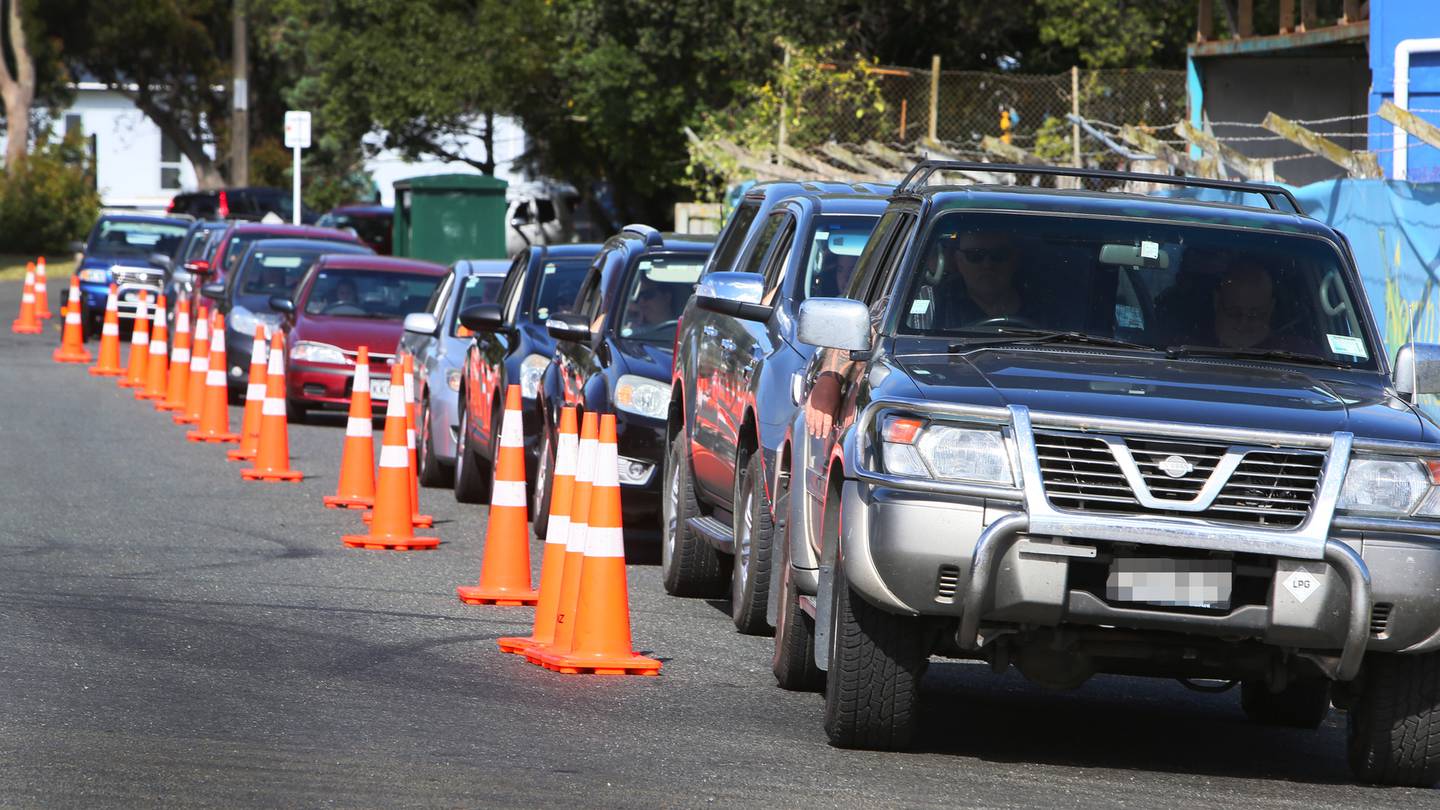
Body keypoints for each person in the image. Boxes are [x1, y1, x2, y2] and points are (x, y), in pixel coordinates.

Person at [934, 229, 1027, 327]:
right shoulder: (938, 303)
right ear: (959, 261)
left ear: (1015, 259)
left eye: (998, 254)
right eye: (975, 255)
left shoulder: (1040, 302)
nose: (987, 265)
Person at [1212, 262, 1275, 349]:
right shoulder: (1189, 347)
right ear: (1217, 302)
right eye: (1234, 312)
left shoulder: (1294, 355)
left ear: (1270, 309)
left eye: (1255, 314)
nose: (1243, 323)